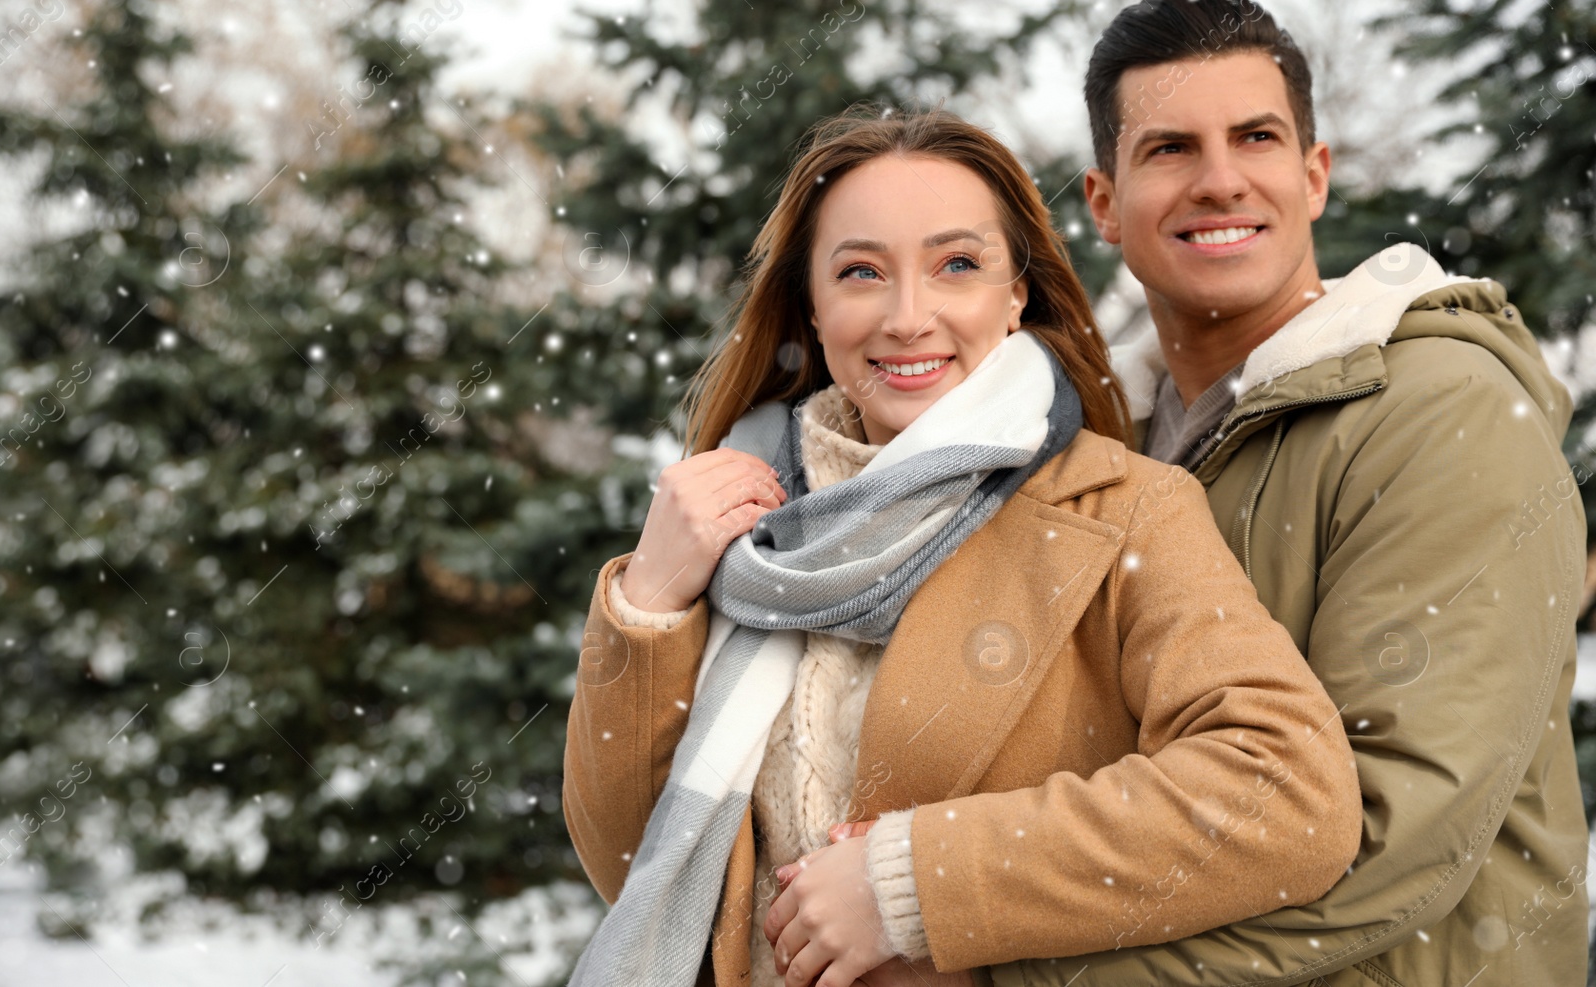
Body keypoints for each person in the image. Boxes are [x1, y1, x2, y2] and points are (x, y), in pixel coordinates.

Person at [560, 104, 1363, 987]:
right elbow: (637, 868)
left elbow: (1289, 794)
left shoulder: (1127, 510)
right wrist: (650, 600)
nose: (909, 317)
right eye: (862, 271)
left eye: (957, 265)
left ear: (1015, 295)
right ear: (813, 308)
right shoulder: (742, 522)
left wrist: (917, 882)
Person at [988, 0, 1587, 987]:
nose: (1220, 181)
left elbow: (1382, 830)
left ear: (1312, 176)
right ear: (1102, 202)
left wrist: (1002, 969)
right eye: (1169, 148)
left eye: (1255, 138)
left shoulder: (1443, 414)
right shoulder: (1091, 452)